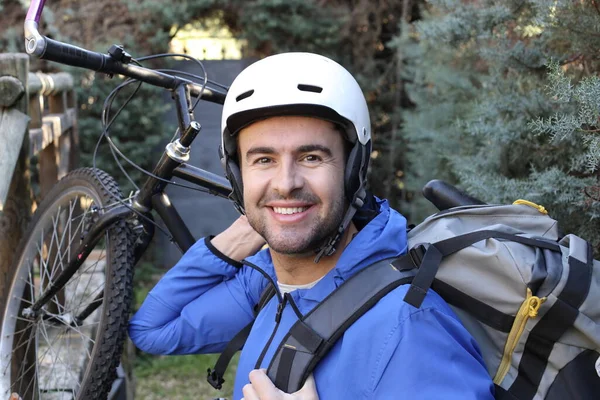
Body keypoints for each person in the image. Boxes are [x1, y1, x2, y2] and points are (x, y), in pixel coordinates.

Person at [128, 52, 495, 399]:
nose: (286, 183)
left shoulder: (407, 326)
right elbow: (152, 330)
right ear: (237, 177)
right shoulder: (268, 284)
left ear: (353, 170)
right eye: (264, 160)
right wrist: (235, 238)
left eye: (311, 156)